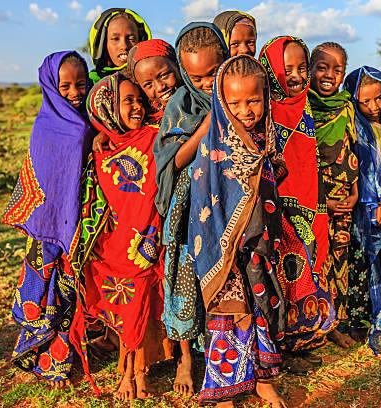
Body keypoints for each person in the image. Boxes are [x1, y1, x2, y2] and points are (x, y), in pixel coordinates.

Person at [189, 54, 288, 408]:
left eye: (254, 100)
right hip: (225, 252)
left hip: (257, 248)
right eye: (235, 102)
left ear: (266, 98)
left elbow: (272, 183)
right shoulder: (213, 146)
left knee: (260, 309)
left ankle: (262, 380)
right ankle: (224, 389)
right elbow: (206, 204)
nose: (246, 110)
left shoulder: (266, 139)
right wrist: (229, 244)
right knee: (229, 315)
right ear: (221, 101)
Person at [70, 73, 172, 400]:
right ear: (107, 108)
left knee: (142, 296)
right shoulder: (101, 148)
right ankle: (129, 367)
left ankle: (136, 369)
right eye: (127, 101)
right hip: (118, 241)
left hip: (149, 238)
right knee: (129, 303)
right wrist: (101, 135)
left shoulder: (154, 135)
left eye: (139, 100)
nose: (138, 106)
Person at [2, 50, 93, 389]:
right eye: (65, 85)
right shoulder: (44, 126)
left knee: (68, 295)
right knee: (40, 294)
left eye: (80, 84)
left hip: (76, 222)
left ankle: (58, 362)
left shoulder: (90, 118)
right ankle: (30, 354)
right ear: (51, 85)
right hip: (45, 230)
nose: (74, 93)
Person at [154, 22, 228, 396]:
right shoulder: (179, 105)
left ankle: (222, 355)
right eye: (196, 76)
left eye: (213, 72)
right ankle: (185, 358)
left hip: (227, 207)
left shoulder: (237, 94)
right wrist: (204, 130)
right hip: (187, 210)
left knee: (225, 282)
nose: (205, 82)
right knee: (184, 283)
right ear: (185, 72)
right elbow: (173, 160)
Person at [259, 36, 334, 374]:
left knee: (305, 271)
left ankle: (301, 342)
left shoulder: (305, 104)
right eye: (286, 68)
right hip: (277, 204)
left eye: (302, 68)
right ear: (271, 69)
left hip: (308, 202)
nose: (296, 75)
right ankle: (277, 347)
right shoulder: (264, 107)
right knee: (282, 273)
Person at [343, 66, 381, 352]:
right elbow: (365, 170)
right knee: (367, 263)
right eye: (364, 101)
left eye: (378, 98)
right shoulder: (356, 129)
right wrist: (377, 202)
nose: (373, 106)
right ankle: (367, 318)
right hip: (367, 208)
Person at [307, 42, 359, 349]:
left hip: (344, 200)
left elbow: (353, 150)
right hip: (313, 202)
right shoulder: (304, 108)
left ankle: (334, 323)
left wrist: (354, 193)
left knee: (339, 261)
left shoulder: (346, 107)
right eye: (322, 67)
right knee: (316, 262)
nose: (329, 75)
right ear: (311, 70)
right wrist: (319, 201)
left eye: (337, 69)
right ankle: (313, 328)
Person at [88, 7, 151, 83]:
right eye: (115, 39)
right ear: (103, 44)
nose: (124, 46)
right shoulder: (89, 83)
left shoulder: (152, 79)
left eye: (131, 39)